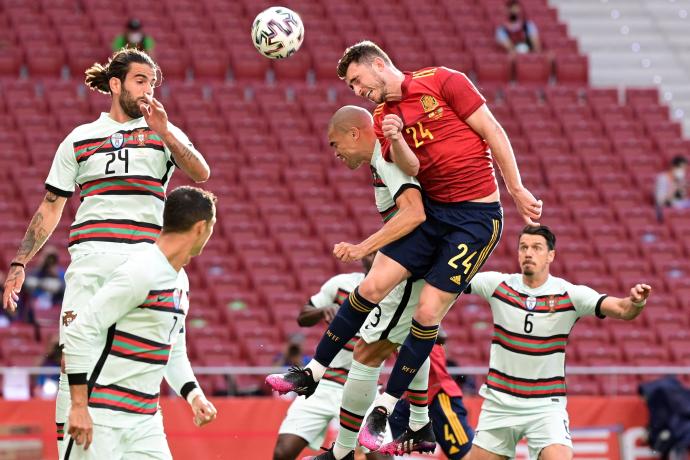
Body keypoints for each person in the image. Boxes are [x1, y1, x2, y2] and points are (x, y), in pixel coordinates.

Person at [268, 40, 541, 452]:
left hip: (475, 220)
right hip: (432, 216)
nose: (358, 91)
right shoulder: (382, 117)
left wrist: (516, 188)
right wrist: (396, 139)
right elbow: (411, 168)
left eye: (359, 80)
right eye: (352, 88)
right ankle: (313, 371)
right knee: (370, 287)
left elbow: (492, 131)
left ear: (379, 65)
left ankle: (384, 410)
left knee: (427, 315)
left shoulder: (443, 80)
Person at [1, 47, 210, 458]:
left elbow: (201, 173)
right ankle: (72, 447)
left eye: (152, 83)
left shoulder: (162, 132)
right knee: (74, 356)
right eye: (140, 81)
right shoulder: (79, 139)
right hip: (93, 260)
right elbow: (51, 205)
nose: (149, 89)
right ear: (115, 85)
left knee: (146, 350)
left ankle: (142, 437)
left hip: (147, 262)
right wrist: (19, 262)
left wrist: (166, 132)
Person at [466, 225, 651, 460]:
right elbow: (451, 280)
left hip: (545, 406)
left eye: (536, 248)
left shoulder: (569, 294)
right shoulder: (497, 285)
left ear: (551, 255)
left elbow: (623, 310)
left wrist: (636, 303)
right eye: (523, 247)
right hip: (499, 403)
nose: (528, 253)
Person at [63, 186, 218, 459]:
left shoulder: (180, 280)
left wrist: (194, 396)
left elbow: (174, 351)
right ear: (200, 227)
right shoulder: (140, 272)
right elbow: (79, 332)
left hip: (146, 423)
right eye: (212, 227)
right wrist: (78, 406)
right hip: (101, 420)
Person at [274, 255, 394, 460]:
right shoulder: (341, 284)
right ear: (363, 257)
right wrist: (322, 311)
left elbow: (436, 329)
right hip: (323, 383)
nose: (372, 256)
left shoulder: (397, 293)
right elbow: (303, 316)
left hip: (363, 386)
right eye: (369, 251)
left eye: (378, 251)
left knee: (382, 458)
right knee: (282, 453)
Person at [388, 330, 473, 459]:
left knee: (465, 456)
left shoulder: (417, 315)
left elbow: (442, 335)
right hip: (411, 400)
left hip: (439, 396)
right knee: (378, 437)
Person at [655, 155, 689, 220]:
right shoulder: (663, 179)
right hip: (667, 208)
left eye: (684, 169)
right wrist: (675, 186)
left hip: (679, 205)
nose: (683, 171)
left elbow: (681, 198)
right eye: (680, 168)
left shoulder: (680, 179)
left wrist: (684, 188)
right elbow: (660, 202)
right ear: (673, 167)